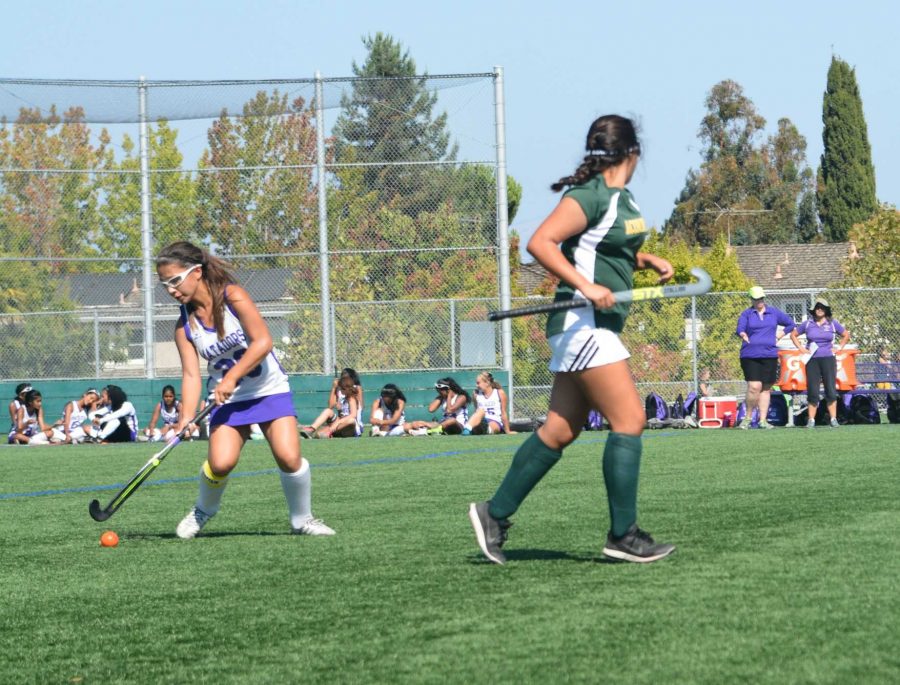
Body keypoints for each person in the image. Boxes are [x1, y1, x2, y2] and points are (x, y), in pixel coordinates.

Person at [468, 114, 676, 565]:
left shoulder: (621, 197)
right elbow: (540, 243)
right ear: (632, 153)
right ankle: (624, 534)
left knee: (560, 430)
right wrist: (586, 287)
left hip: (594, 327)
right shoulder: (591, 194)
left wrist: (642, 259)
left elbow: (603, 246)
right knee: (630, 419)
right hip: (584, 326)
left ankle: (494, 514)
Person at [156, 241, 333, 539]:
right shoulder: (183, 325)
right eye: (165, 284)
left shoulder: (233, 296)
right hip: (228, 401)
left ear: (196, 272)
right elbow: (190, 373)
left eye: (175, 280)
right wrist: (186, 416)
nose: (171, 290)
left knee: (289, 458)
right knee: (220, 463)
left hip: (269, 388)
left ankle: (303, 520)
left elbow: (263, 341)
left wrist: (231, 377)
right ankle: (203, 510)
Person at [735, 286, 796, 430]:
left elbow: (790, 324)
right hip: (750, 355)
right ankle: (748, 418)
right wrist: (743, 335)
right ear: (751, 299)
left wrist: (780, 334)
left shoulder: (773, 312)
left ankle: (763, 420)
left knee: (766, 388)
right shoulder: (747, 314)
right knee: (754, 387)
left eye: (761, 298)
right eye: (756, 299)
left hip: (769, 355)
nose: (759, 301)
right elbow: (740, 329)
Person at [790, 298, 851, 428]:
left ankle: (833, 419)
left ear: (826, 309)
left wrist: (839, 347)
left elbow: (846, 335)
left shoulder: (832, 323)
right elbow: (793, 335)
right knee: (813, 390)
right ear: (814, 309)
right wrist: (801, 349)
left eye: (822, 307)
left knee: (830, 389)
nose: (819, 309)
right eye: (817, 307)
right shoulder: (807, 323)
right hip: (812, 360)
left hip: (828, 359)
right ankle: (811, 420)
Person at [300, 368, 363, 439]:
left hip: (350, 426)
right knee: (327, 411)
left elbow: (353, 415)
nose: (340, 390)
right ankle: (311, 429)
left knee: (350, 421)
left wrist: (337, 423)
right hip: (340, 423)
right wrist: (334, 388)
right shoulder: (343, 394)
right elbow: (330, 406)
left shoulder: (352, 397)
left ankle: (329, 431)